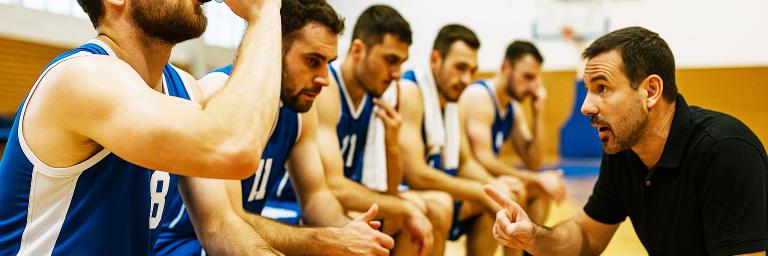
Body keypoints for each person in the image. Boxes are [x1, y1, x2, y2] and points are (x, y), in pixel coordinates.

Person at [0, 0, 285, 254]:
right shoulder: (82, 76)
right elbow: (235, 149)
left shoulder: (184, 88)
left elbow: (219, 225)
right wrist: (264, 11)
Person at [486, 26, 768, 255]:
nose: (586, 106)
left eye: (602, 88)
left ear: (651, 91)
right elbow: (585, 238)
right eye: (588, 90)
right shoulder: (624, 150)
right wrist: (533, 236)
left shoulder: (726, 153)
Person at [153, 1, 394, 255]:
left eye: (328, 63)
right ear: (275, 49)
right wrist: (331, 239)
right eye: (313, 61)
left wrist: (352, 233)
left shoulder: (301, 110)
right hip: (187, 243)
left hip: (244, 239)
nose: (325, 78)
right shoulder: (218, 92)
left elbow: (316, 197)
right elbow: (226, 225)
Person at [275, 5, 452, 255]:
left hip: (341, 196)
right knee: (405, 213)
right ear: (358, 50)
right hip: (292, 202)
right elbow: (333, 186)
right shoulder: (326, 91)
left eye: (401, 63)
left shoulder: (379, 95)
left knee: (434, 208)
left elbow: (389, 190)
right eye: (390, 60)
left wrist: (392, 147)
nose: (396, 73)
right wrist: (403, 208)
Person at [399, 24, 525, 256]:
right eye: (459, 68)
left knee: (504, 198)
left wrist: (493, 186)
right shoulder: (411, 91)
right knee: (443, 205)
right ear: (435, 59)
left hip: (441, 192)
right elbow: (416, 174)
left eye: (471, 70)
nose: (466, 79)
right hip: (411, 195)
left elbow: (465, 162)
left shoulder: (452, 98)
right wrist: (480, 191)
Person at [459, 40, 567, 224]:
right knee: (510, 197)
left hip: (485, 183)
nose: (533, 86)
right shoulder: (480, 97)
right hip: (464, 183)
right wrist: (537, 178)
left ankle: (529, 252)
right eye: (527, 77)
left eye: (536, 79)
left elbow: (534, 161)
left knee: (539, 191)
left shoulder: (512, 108)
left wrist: (538, 113)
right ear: (505, 66)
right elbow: (483, 159)